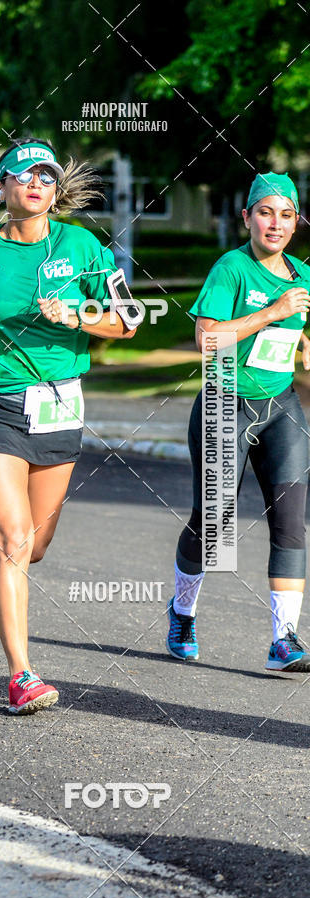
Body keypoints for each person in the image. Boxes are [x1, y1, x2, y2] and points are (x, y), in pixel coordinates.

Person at [0, 137, 138, 713]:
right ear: (1, 190)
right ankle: (21, 675)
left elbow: (129, 323)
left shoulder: (84, 246)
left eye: (46, 177)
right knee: (14, 537)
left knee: (36, 545)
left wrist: (79, 315)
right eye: (23, 177)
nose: (37, 185)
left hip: (58, 404)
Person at [166, 171, 310, 671]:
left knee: (292, 524)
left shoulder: (303, 275)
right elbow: (206, 341)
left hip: (282, 407)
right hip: (225, 403)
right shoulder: (232, 268)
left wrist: (302, 342)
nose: (275, 223)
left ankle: (284, 639)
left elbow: (296, 329)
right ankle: (182, 611)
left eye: (286, 214)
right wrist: (272, 312)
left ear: (297, 222)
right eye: (265, 212)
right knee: (214, 529)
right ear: (246, 216)